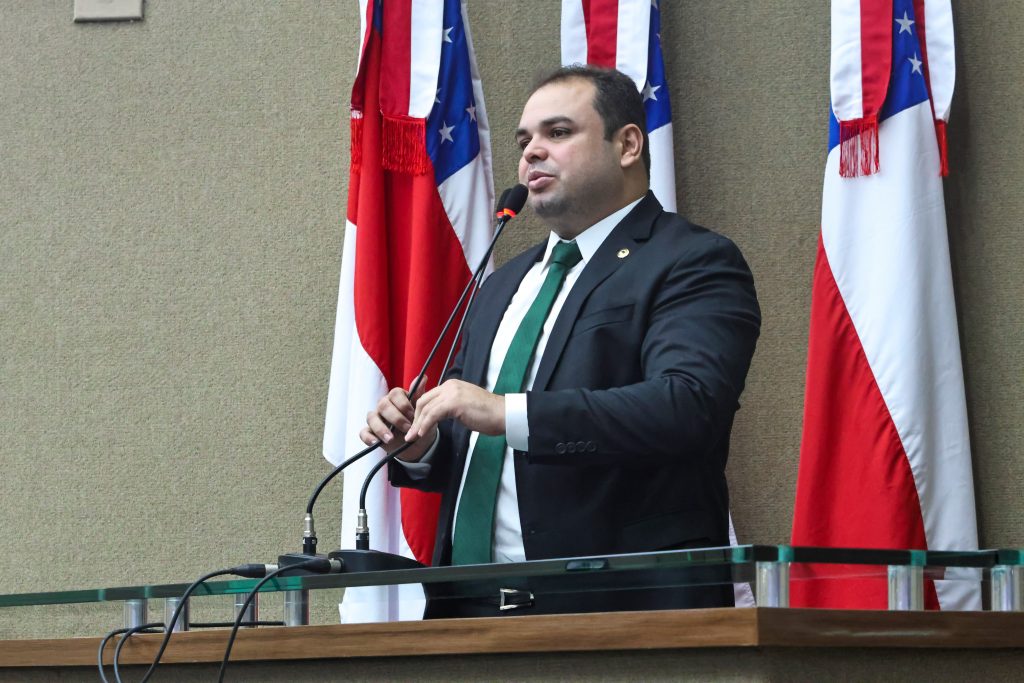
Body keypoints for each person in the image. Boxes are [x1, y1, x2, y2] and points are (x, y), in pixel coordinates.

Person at [361, 65, 760, 616]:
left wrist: (506, 411)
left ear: (627, 145)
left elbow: (687, 406)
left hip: (616, 611)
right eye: (524, 140)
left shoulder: (691, 260)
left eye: (558, 133)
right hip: (467, 614)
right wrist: (421, 445)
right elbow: (481, 449)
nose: (531, 153)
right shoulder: (502, 284)